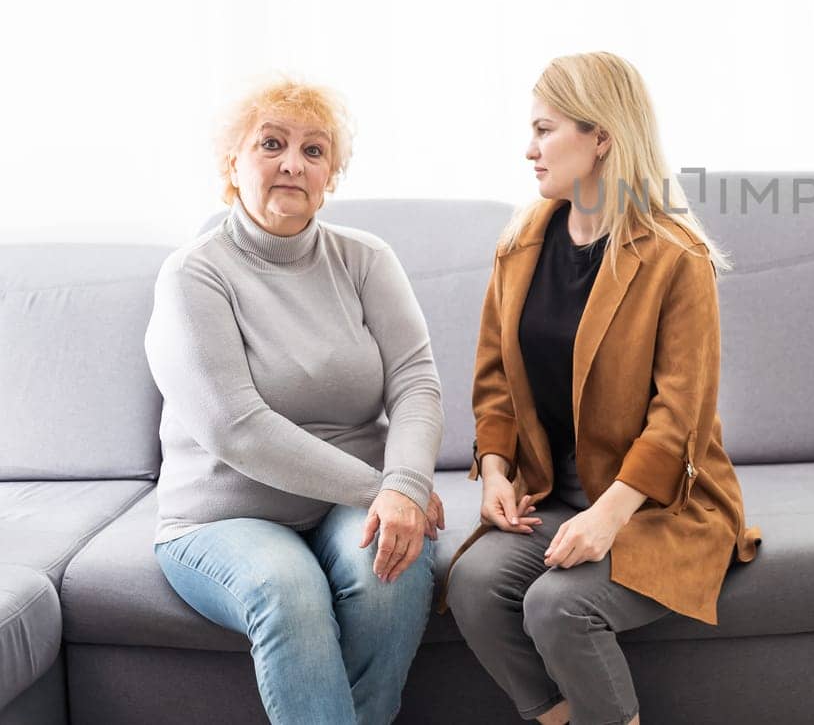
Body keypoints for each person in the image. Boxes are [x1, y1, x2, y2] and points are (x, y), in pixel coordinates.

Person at [445, 52, 762, 725]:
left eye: (544, 129)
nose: (528, 149)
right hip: (557, 494)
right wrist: (495, 470)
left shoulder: (678, 260)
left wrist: (608, 514)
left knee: (557, 604)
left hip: (661, 506)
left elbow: (679, 420)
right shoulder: (520, 243)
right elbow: (496, 379)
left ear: (602, 138)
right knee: (473, 583)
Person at [145, 76, 446, 725]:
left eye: (314, 150)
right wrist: (386, 488)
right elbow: (238, 428)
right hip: (224, 515)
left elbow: (416, 380)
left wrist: (408, 483)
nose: (292, 162)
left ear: (330, 172)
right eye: (272, 143)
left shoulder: (366, 258)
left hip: (347, 505)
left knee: (399, 560)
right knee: (290, 590)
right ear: (233, 161)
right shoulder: (193, 274)